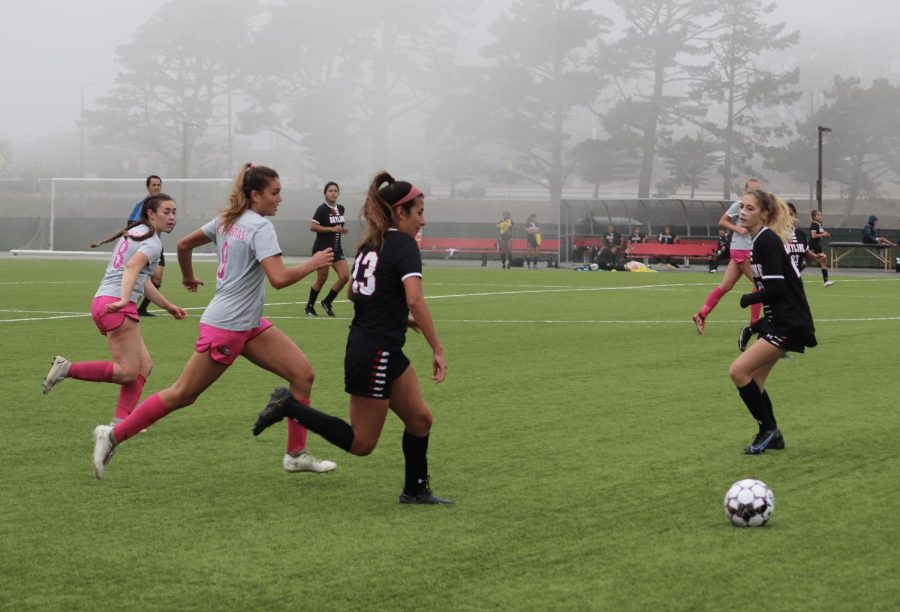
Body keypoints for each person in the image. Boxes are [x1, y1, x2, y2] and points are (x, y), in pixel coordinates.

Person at [90, 163, 337, 479]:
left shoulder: (228, 219)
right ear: (255, 194)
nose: (280, 199)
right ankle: (113, 434)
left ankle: (296, 454)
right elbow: (278, 278)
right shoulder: (259, 228)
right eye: (275, 193)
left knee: (302, 375)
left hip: (248, 324)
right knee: (182, 394)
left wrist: (189, 275)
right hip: (227, 327)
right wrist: (313, 263)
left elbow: (183, 245)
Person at [252, 171, 453, 505]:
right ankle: (287, 405)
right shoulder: (402, 245)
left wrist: (397, 318)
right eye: (419, 213)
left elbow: (355, 293)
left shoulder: (371, 243)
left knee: (420, 419)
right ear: (400, 213)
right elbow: (415, 299)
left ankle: (416, 490)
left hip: (379, 347)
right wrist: (437, 348)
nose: (423, 220)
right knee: (362, 444)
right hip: (374, 352)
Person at [42, 194, 187, 426]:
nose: (172, 217)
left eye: (174, 212)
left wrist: (169, 306)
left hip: (104, 302)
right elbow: (131, 268)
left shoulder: (136, 232)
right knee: (129, 372)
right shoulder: (151, 242)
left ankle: (120, 423)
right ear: (151, 213)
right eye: (166, 212)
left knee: (144, 366)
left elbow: (142, 279)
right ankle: (66, 368)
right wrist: (124, 299)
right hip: (115, 306)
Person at [728, 189, 816, 454]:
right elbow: (781, 297)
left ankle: (768, 430)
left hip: (789, 325)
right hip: (782, 321)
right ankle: (773, 435)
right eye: (742, 207)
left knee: (738, 372)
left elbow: (777, 290)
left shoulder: (767, 241)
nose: (742, 212)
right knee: (754, 379)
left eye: (750, 208)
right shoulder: (760, 241)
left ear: (764, 214)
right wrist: (755, 326)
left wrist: (748, 298)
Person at [738, 200, 826, 351]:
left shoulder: (799, 234)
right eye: (785, 213)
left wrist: (816, 257)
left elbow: (805, 253)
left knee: (785, 317)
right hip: (776, 282)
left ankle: (754, 334)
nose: (788, 216)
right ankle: (763, 343)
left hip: (792, 283)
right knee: (783, 317)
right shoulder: (774, 236)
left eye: (791, 214)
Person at [692, 178, 763, 334]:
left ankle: (701, 315)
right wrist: (738, 230)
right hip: (741, 250)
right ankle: (754, 323)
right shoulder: (740, 205)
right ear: (745, 191)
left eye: (758, 190)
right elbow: (723, 221)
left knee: (725, 286)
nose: (755, 192)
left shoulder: (760, 208)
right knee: (760, 284)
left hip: (748, 250)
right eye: (752, 190)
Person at [305, 181, 350, 317]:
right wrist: (331, 229)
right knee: (322, 279)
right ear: (325, 193)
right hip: (323, 250)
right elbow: (312, 227)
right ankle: (310, 306)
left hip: (337, 249)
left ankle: (327, 301)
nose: (333, 193)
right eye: (330, 190)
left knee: (344, 277)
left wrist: (341, 230)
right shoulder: (322, 209)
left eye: (335, 191)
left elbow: (336, 226)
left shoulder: (341, 208)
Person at [127, 175, 165, 317]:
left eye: (158, 184)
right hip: (143, 245)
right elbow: (131, 222)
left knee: (157, 279)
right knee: (138, 276)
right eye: (153, 185)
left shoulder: (162, 203)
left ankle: (142, 309)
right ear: (148, 187)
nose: (156, 187)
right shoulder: (142, 204)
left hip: (157, 245)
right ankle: (128, 306)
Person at [808, 209, 834, 286]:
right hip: (813, 247)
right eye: (818, 215)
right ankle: (794, 274)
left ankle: (826, 281)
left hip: (818, 248)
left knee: (824, 260)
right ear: (814, 217)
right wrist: (823, 235)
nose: (820, 216)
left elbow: (822, 233)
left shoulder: (818, 225)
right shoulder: (814, 224)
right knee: (806, 262)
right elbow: (813, 235)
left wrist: (826, 234)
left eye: (821, 215)